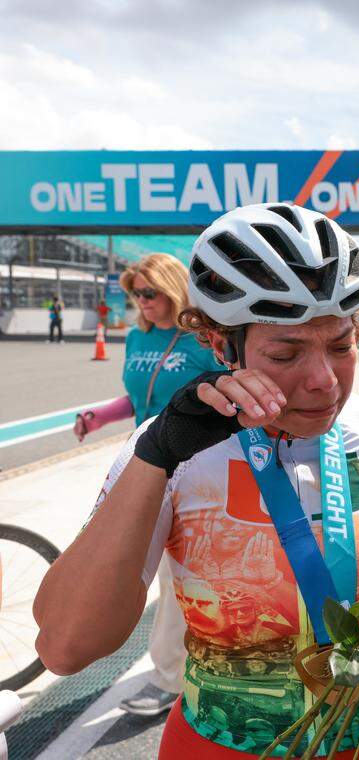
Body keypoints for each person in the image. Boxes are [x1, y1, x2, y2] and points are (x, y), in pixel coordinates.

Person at [34, 203, 359, 759]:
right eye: (285, 352)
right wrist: (154, 458)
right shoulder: (169, 448)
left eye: (341, 345)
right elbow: (65, 647)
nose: (324, 382)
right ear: (218, 344)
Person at [74, 253, 226, 717]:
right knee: (125, 564)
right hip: (143, 462)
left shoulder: (201, 342)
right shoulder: (139, 336)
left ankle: (170, 679)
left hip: (195, 467)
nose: (141, 302)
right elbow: (141, 396)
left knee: (174, 576)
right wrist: (98, 416)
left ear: (172, 288)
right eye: (134, 294)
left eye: (149, 292)